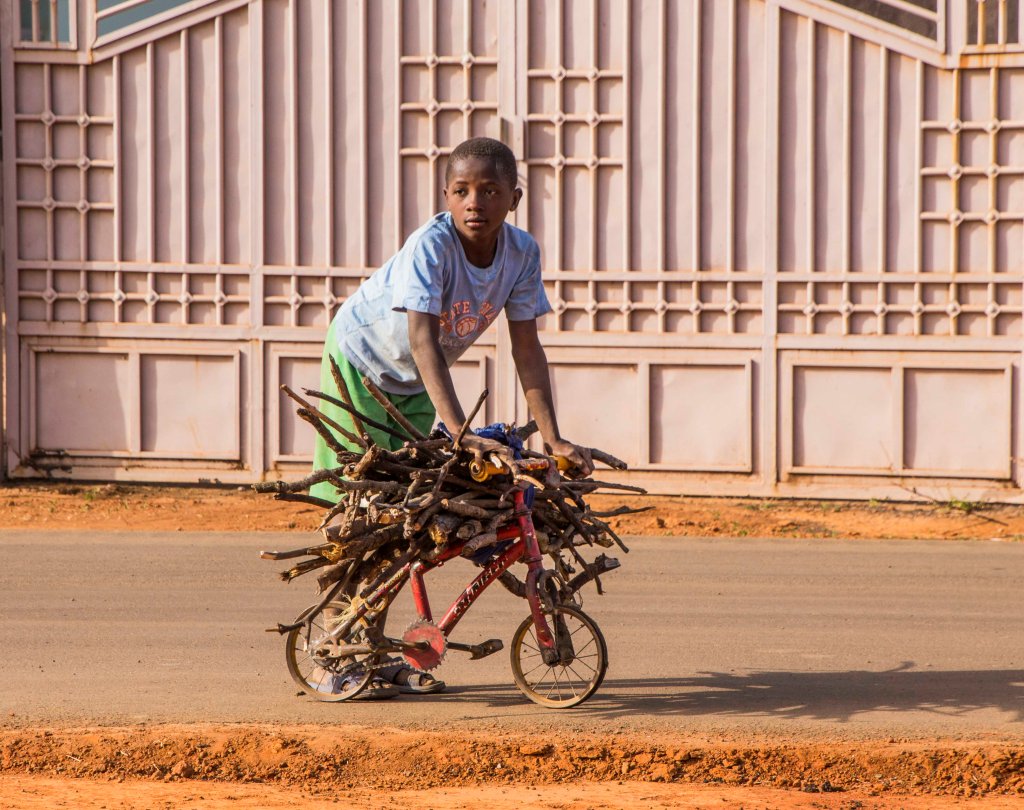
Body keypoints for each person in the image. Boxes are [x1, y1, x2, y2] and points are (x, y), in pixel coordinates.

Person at [309, 136, 594, 698]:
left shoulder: (520, 253)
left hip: (417, 382)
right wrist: (463, 435)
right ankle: (331, 650)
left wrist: (555, 437)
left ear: (513, 198)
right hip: (363, 365)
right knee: (362, 513)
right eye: (462, 190)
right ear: (446, 195)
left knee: (410, 520)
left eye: (489, 191)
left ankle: (378, 649)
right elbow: (422, 339)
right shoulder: (431, 246)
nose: (474, 202)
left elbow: (527, 348)